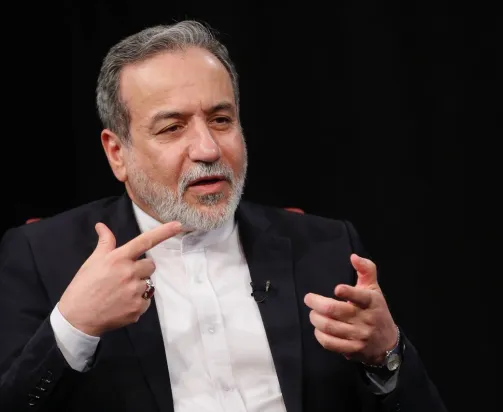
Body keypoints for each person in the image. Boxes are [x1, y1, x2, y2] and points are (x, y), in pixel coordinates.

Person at [0, 20, 446, 412]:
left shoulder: (326, 247)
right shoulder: (42, 257)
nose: (208, 149)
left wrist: (387, 355)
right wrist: (74, 327)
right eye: (172, 127)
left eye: (220, 120)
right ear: (117, 152)